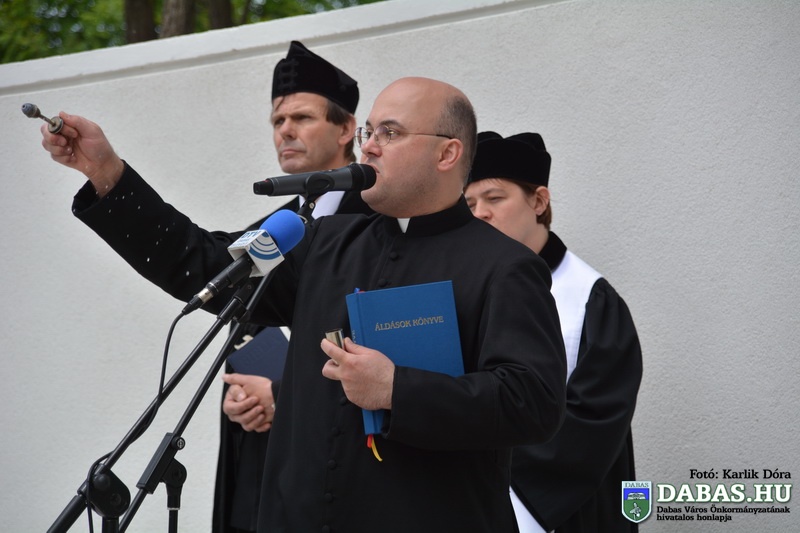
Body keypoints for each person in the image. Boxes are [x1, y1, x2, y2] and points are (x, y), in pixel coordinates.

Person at [40, 76, 567, 532]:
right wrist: (107, 173)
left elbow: (534, 402)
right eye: (368, 133)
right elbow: (206, 264)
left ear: (447, 153)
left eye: (390, 133)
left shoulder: (504, 265)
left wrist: (397, 389)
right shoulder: (323, 243)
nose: (369, 147)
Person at [213, 41, 372, 533]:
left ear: (345, 129)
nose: (285, 130)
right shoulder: (272, 229)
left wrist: (279, 393)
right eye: (278, 120)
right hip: (260, 463)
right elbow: (247, 328)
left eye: (302, 117)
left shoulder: (376, 223)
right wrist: (240, 400)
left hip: (334, 473)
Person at [464, 131, 643, 533]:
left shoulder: (589, 298)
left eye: (494, 198)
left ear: (539, 201)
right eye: (470, 203)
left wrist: (506, 496)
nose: (480, 214)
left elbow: (593, 421)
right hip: (471, 498)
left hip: (557, 509)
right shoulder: (467, 287)